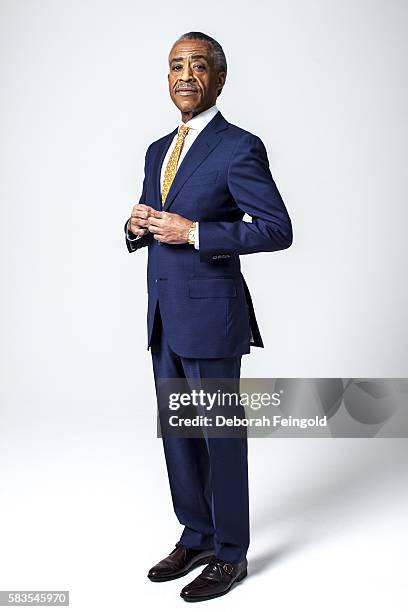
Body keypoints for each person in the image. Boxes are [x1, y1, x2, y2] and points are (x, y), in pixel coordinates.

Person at [124, 31, 293, 602]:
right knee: (178, 434)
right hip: (164, 316)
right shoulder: (156, 150)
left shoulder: (238, 146)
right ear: (167, 79)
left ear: (219, 79)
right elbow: (154, 223)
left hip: (213, 318)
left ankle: (230, 553)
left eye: (198, 65)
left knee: (220, 435)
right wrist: (135, 226)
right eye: (176, 66)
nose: (185, 75)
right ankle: (195, 534)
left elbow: (276, 229)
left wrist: (196, 233)